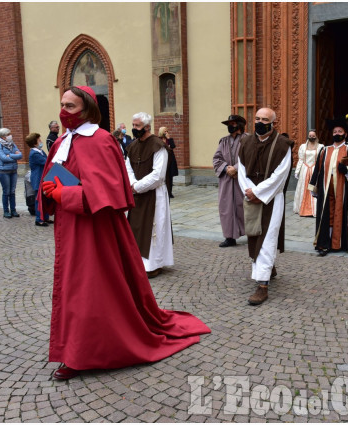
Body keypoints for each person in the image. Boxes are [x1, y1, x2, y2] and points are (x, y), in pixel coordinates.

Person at [38, 86, 210, 380]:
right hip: (70, 228)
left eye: (70, 106)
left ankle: (84, 353)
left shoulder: (101, 139)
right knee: (73, 285)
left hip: (96, 229)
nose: (63, 112)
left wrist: (62, 194)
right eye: (62, 105)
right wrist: (47, 191)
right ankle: (74, 346)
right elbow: (52, 177)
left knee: (91, 287)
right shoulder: (62, 141)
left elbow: (104, 193)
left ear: (88, 109)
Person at [238, 107, 294, 306]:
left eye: (265, 120)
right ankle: (269, 268)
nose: (260, 123)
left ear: (273, 123)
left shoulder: (282, 145)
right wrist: (249, 191)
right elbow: (241, 170)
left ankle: (262, 285)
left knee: (267, 236)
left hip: (271, 198)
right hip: (251, 196)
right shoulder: (245, 142)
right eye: (257, 119)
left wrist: (259, 192)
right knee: (254, 234)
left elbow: (281, 175)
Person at [308, 118, 348, 256]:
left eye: (340, 131)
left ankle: (341, 243)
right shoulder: (325, 150)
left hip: (345, 190)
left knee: (343, 214)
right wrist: (314, 188)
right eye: (335, 131)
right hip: (327, 189)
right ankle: (326, 243)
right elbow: (318, 169)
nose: (337, 133)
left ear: (345, 134)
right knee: (327, 215)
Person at [126, 112, 173, 278]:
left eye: (137, 126)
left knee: (154, 229)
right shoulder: (132, 146)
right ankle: (137, 263)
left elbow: (158, 175)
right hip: (137, 194)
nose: (134, 129)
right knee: (136, 228)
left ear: (147, 127)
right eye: (133, 125)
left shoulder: (158, 146)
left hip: (154, 194)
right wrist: (132, 184)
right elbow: (128, 167)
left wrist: (137, 186)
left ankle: (154, 264)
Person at [212, 114, 247, 247]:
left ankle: (253, 234)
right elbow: (217, 158)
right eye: (228, 124)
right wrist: (227, 168)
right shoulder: (224, 141)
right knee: (226, 208)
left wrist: (236, 168)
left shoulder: (248, 139)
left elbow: (250, 157)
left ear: (239, 125)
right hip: (227, 180)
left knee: (245, 207)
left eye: (232, 124)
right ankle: (230, 237)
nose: (229, 127)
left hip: (242, 179)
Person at [293, 130, 323, 217]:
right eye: (310, 135)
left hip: (315, 169)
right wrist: (297, 171)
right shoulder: (303, 146)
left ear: (316, 136)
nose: (311, 137)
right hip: (305, 170)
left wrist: (321, 170)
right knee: (304, 188)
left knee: (314, 188)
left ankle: (315, 209)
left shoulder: (320, 146)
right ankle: (302, 208)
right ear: (308, 136)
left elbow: (321, 160)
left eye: (313, 136)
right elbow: (301, 159)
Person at [0, 128, 23, 218]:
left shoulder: (12, 144)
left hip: (13, 170)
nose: (10, 136)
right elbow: (3, 158)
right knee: (6, 191)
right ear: (3, 136)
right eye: (8, 134)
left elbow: (20, 155)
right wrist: (14, 157)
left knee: (12, 191)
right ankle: (6, 211)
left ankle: (13, 210)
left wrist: (10, 155)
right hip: (4, 171)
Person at [25, 132, 50, 226]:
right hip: (38, 178)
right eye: (39, 140)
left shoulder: (40, 151)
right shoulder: (34, 153)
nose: (41, 141)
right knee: (39, 199)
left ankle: (45, 217)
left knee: (45, 199)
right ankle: (39, 219)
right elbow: (46, 162)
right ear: (34, 143)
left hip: (43, 178)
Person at [158, 127, 178, 199]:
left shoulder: (169, 139)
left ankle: (170, 192)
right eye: (164, 131)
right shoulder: (158, 139)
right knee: (164, 176)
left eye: (167, 131)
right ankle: (164, 191)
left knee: (170, 177)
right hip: (162, 160)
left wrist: (169, 138)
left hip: (170, 160)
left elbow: (173, 146)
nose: (166, 132)